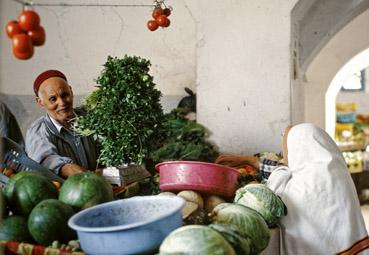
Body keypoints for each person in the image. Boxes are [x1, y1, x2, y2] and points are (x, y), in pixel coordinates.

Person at [217, 123, 369, 254]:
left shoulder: (297, 189)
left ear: (300, 149)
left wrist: (248, 160)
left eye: (291, 149)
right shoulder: (336, 172)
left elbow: (276, 186)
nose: (287, 156)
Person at [25, 70, 99, 178]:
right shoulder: (38, 131)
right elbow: (45, 159)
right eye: (53, 99)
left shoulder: (89, 116)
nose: (62, 103)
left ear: (71, 91)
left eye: (65, 95)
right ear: (40, 102)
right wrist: (72, 171)